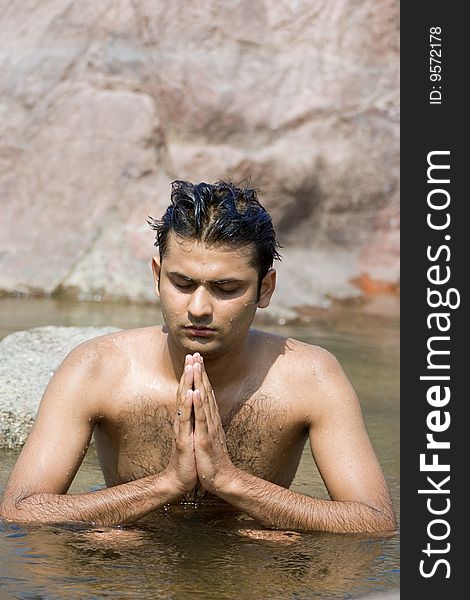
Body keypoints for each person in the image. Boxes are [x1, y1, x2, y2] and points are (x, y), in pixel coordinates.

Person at [0, 180, 396, 533]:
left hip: (251, 571)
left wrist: (230, 480)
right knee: (113, 542)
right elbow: (20, 510)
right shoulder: (98, 369)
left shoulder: (310, 377)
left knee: (277, 543)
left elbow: (374, 521)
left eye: (226, 288)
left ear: (265, 289)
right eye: (183, 283)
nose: (199, 308)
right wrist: (165, 484)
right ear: (156, 276)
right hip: (133, 574)